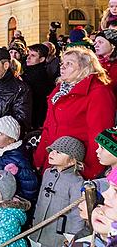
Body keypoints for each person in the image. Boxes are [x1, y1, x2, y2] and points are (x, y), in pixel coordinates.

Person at [34, 47, 116, 179]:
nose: (63, 67)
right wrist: (40, 159)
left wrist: (90, 172)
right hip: (54, 162)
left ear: (85, 67)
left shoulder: (98, 92)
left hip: (76, 167)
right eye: (62, 63)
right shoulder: (59, 90)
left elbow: (99, 136)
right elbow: (48, 128)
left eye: (69, 64)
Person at [31, 136, 86, 247]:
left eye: (58, 152)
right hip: (43, 224)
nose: (52, 153)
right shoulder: (48, 173)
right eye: (52, 150)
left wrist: (73, 236)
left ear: (72, 160)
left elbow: (76, 212)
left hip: (59, 230)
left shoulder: (76, 181)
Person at [0, 116, 38, 204]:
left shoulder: (17, 158)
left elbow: (30, 182)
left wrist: (19, 172)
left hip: (10, 202)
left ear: (11, 140)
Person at [22, 44, 54, 129]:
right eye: (28, 54)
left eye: (33, 56)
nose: (28, 58)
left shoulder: (40, 77)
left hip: (35, 122)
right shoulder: (27, 72)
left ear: (41, 59)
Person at [94, 29, 117, 98]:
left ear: (113, 45)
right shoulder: (95, 62)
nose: (96, 45)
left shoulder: (115, 65)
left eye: (100, 42)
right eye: (95, 42)